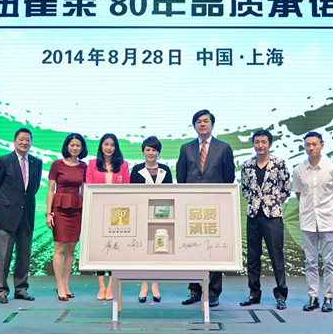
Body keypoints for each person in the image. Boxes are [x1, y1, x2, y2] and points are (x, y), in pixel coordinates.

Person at [176, 109, 235, 308]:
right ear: (194, 126)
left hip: (214, 207)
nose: (202, 124)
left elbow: (229, 178)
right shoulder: (186, 148)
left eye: (206, 121)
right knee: (192, 248)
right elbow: (181, 178)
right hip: (191, 207)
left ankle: (213, 292)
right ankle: (194, 290)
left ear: (212, 125)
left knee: (214, 248)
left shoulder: (223, 148)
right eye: (198, 121)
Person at [292, 131, 333, 313]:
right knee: (310, 261)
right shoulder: (299, 169)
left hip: (328, 220)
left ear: (322, 145)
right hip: (308, 221)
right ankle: (313, 296)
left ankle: (329, 297)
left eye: (314, 144)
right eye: (307, 145)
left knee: (329, 261)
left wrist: (330, 211)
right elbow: (299, 193)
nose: (311, 148)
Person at [0, 128, 43, 304]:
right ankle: (1, 292)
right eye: (21, 139)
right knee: (3, 257)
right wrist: (5, 203)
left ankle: (21, 290)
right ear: (14, 141)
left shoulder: (36, 162)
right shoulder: (4, 161)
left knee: (24, 256)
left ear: (31, 142)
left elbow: (34, 188)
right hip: (6, 215)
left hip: (26, 216)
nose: (24, 142)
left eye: (27, 140)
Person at [239, 129, 290, 310]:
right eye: (257, 142)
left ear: (270, 144)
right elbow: (245, 189)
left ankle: (281, 295)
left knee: (276, 256)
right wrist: (256, 203)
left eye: (264, 142)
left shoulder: (279, 163)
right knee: (253, 257)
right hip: (253, 215)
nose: (260, 145)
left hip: (272, 216)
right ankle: (254, 293)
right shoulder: (247, 165)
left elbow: (285, 189)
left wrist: (272, 203)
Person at [86, 133, 130, 300]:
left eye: (112, 145)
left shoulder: (123, 165)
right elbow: (89, 187)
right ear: (101, 146)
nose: (109, 148)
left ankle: (111, 285)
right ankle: (101, 286)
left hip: (118, 213)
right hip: (98, 212)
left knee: (114, 249)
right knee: (100, 248)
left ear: (116, 147)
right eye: (106, 144)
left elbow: (127, 188)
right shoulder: (92, 164)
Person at [130, 136, 173, 303]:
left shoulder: (165, 170)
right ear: (143, 151)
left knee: (159, 249)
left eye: (154, 149)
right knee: (143, 250)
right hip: (141, 214)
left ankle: (155, 284)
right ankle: (144, 285)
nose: (151, 152)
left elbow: (170, 194)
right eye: (148, 149)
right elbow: (132, 194)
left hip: (162, 215)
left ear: (158, 152)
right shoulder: (136, 170)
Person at [45, 133, 88, 301]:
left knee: (71, 248)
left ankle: (66, 283)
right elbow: (51, 189)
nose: (75, 148)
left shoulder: (83, 166)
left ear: (82, 148)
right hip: (60, 208)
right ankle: (59, 285)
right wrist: (48, 213)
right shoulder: (57, 164)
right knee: (59, 248)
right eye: (72, 145)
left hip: (76, 208)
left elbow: (84, 190)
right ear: (67, 146)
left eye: (78, 145)